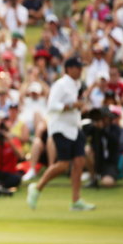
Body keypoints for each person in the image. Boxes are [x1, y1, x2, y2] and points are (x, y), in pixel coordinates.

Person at [27, 57, 96, 211]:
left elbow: (75, 105)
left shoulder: (77, 85)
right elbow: (52, 106)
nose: (80, 70)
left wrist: (79, 107)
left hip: (74, 127)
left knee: (79, 161)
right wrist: (72, 106)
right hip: (60, 128)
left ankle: (75, 200)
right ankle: (36, 188)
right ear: (69, 69)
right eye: (78, 67)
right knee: (63, 165)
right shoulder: (61, 84)